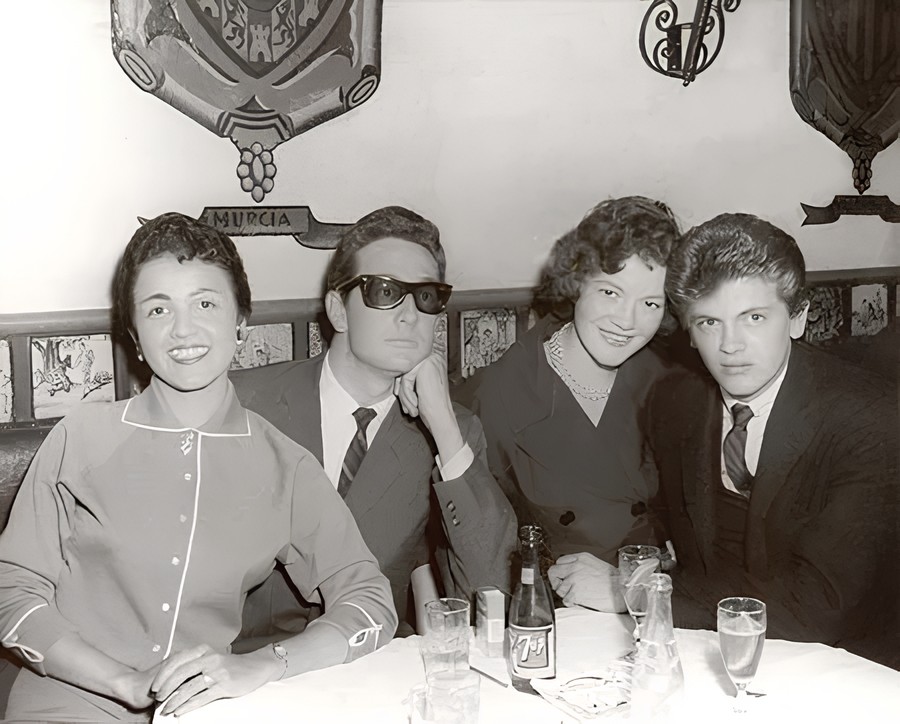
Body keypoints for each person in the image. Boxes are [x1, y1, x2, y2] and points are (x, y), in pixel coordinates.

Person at [0, 213, 397, 721]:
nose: (183, 329)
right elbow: (11, 593)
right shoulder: (81, 437)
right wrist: (122, 682)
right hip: (66, 703)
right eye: (158, 309)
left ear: (241, 322)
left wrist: (265, 664)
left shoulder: (286, 466)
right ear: (135, 335)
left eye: (205, 303)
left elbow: (371, 603)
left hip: (204, 711)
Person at [231, 206, 517, 637]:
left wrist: (441, 422)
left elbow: (489, 590)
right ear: (339, 311)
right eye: (385, 292)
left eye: (426, 297)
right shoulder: (247, 403)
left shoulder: (451, 432)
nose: (409, 316)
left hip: (372, 667)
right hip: (248, 671)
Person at [649, 212, 898, 667]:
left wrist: (651, 595)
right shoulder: (673, 404)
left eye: (754, 317)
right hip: (713, 651)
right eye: (708, 322)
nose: (730, 345)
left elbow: (819, 607)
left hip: (847, 667)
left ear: (798, 318)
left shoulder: (870, 418)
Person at [457, 196, 682, 611]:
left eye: (650, 303)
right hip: (557, 617)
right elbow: (481, 550)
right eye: (611, 292)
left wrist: (632, 586)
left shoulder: (674, 383)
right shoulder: (500, 395)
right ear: (577, 283)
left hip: (664, 609)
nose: (627, 321)